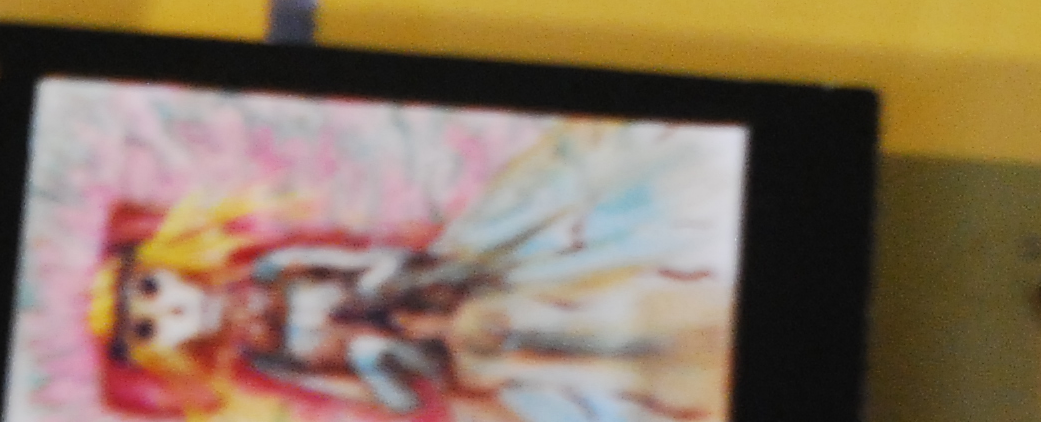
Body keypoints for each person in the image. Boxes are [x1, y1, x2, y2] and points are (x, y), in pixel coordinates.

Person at [86, 120, 738, 420]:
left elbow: (355, 260)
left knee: (570, 259)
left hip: (440, 287)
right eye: (148, 328)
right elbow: (361, 391)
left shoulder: (275, 269)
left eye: (151, 289)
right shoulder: (265, 356)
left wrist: (388, 284)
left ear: (173, 261)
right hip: (429, 362)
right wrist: (379, 365)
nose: (169, 309)